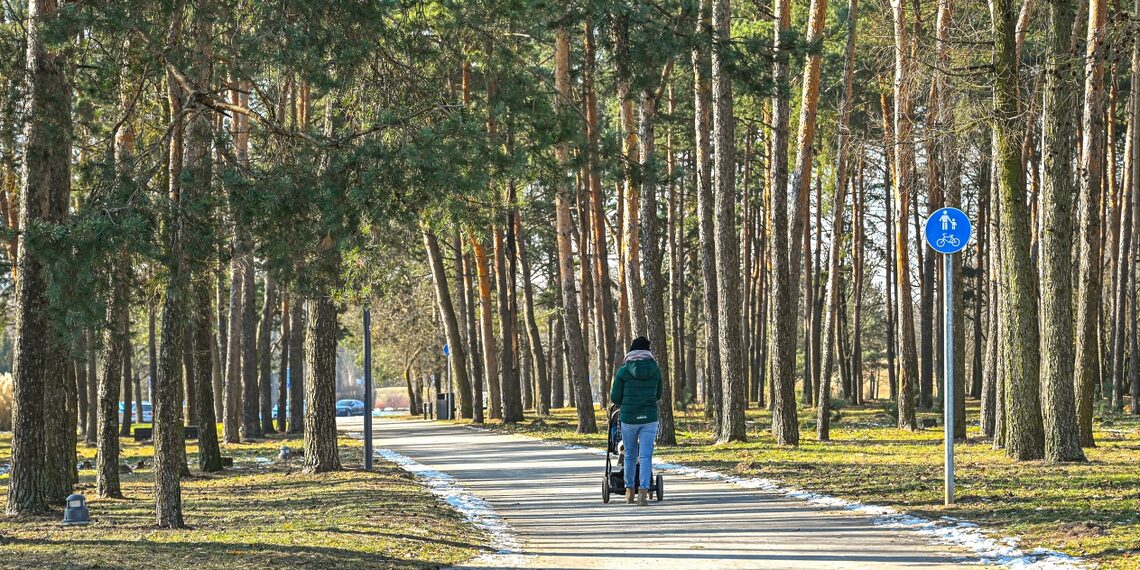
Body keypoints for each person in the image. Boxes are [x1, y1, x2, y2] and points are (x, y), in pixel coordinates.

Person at [610, 336, 662, 506]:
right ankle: (644, 491)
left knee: (630, 456)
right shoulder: (655, 370)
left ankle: (629, 491)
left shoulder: (623, 371)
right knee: (646, 456)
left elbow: (615, 397)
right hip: (649, 418)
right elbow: (659, 395)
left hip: (629, 418)